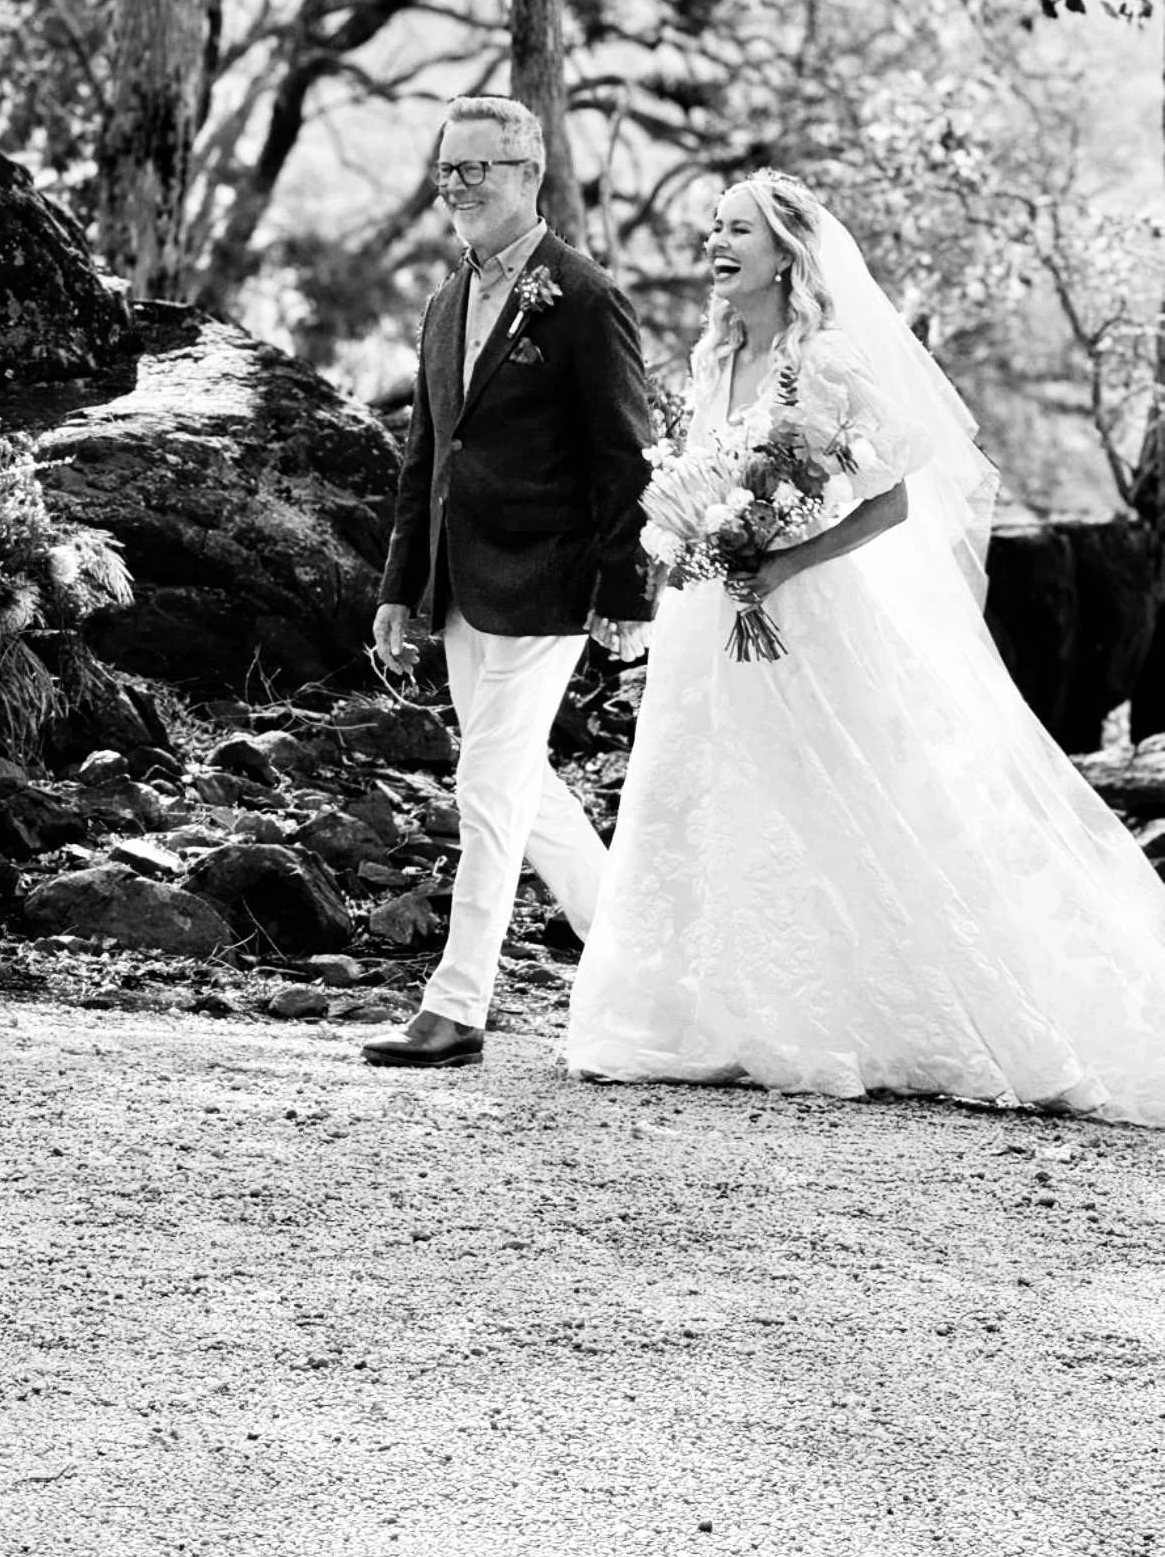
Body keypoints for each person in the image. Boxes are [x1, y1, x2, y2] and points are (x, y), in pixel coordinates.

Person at [563, 167, 1165, 1127]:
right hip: (712, 613)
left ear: (787, 254)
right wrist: (688, 545)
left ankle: (866, 1010)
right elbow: (689, 480)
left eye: (739, 233)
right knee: (711, 790)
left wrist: (785, 558)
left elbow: (890, 497)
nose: (717, 246)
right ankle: (704, 1015)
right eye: (712, 229)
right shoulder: (710, 356)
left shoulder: (829, 358)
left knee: (834, 791)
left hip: (810, 610)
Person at [363, 95, 653, 1069]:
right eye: (446, 169)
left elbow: (626, 456)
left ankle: (457, 1006)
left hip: (548, 582)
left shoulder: (585, 297)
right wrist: (400, 587)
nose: (454, 186)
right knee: (525, 785)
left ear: (527, 173)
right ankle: (637, 955)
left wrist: (627, 594)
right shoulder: (446, 302)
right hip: (457, 589)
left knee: (486, 785)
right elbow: (424, 456)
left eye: (473, 169)